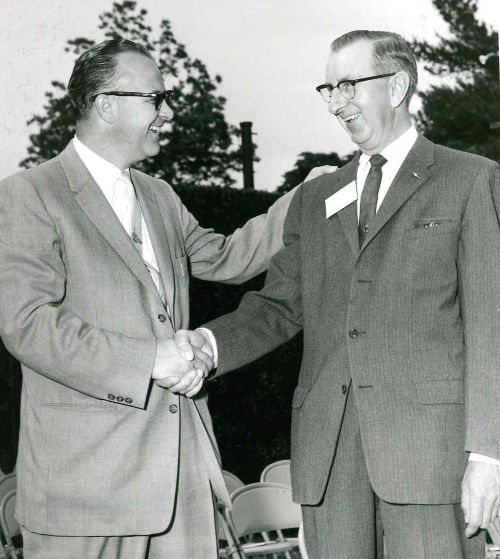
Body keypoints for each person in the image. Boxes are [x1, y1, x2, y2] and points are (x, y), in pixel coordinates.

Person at [0, 38, 332, 559]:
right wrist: (149, 358)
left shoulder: (159, 196)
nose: (168, 112)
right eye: (157, 98)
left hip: (179, 484)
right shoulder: (30, 194)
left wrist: (304, 198)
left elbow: (230, 257)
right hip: (84, 494)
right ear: (106, 103)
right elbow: (27, 325)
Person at [174, 30, 500, 558]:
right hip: (328, 459)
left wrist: (488, 457)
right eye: (327, 89)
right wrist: (209, 346)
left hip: (431, 457)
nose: (336, 104)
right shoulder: (316, 197)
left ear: (397, 86)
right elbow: (279, 306)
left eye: (348, 85)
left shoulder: (471, 181)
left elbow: (492, 324)